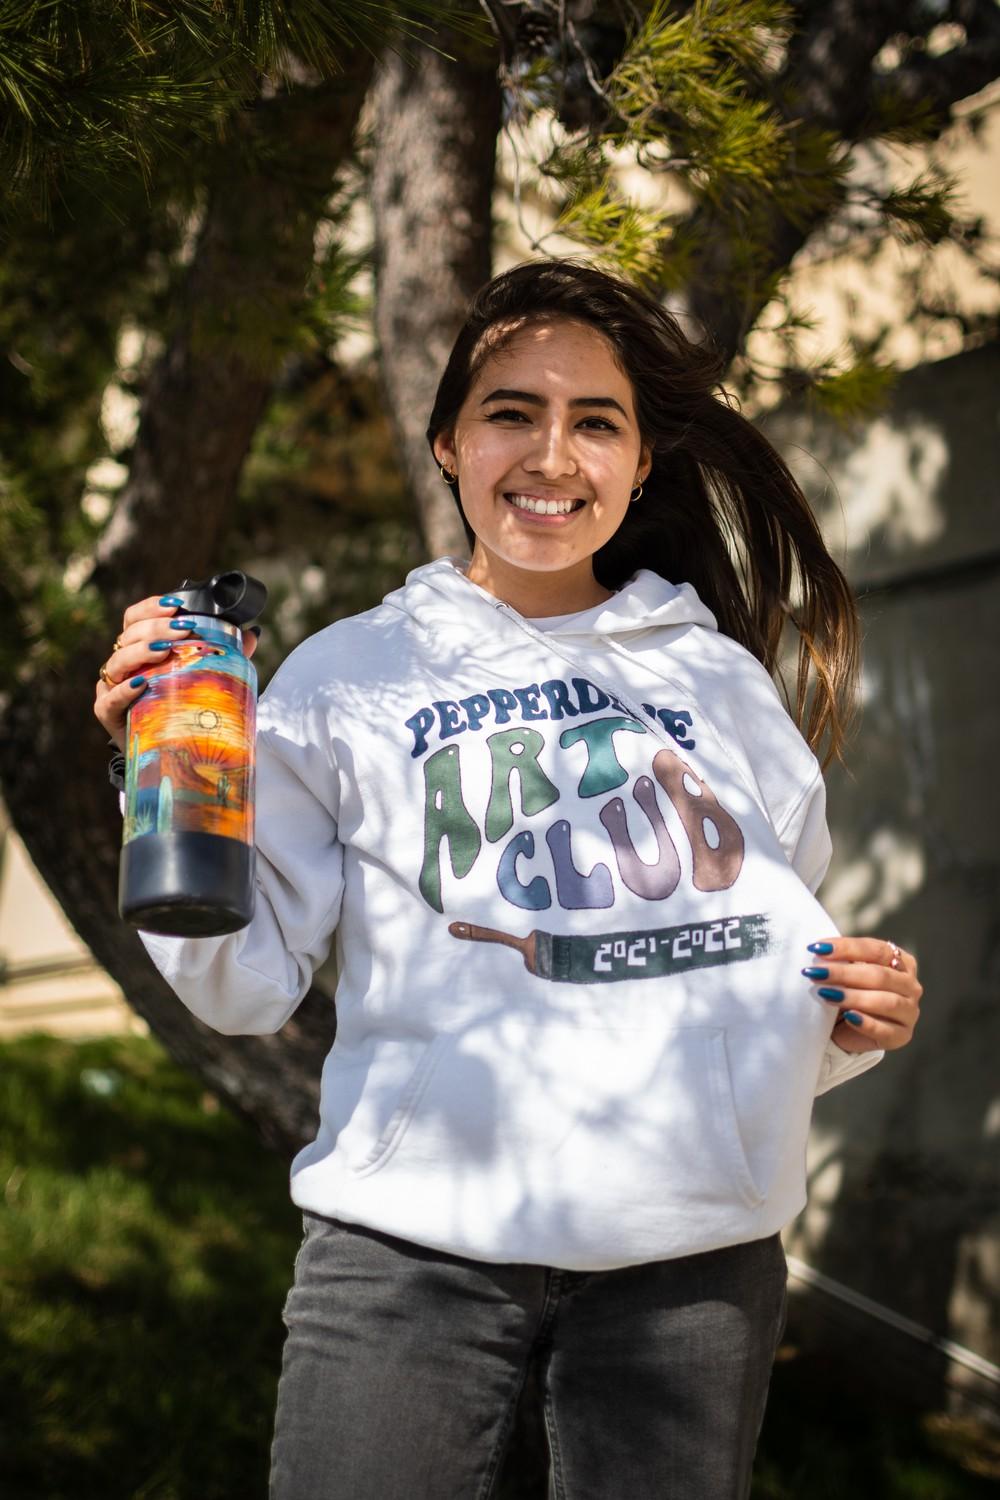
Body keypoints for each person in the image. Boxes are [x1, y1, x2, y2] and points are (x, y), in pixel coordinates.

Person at [94, 260, 923, 1500]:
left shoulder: (721, 685)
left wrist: (855, 1018)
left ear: (641, 464)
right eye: (510, 412)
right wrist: (155, 778)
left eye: (596, 421)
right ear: (447, 442)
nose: (553, 454)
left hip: (690, 1267)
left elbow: (766, 970)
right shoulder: (346, 676)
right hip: (407, 1263)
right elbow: (244, 988)